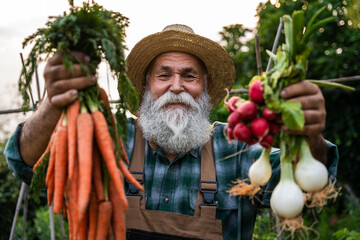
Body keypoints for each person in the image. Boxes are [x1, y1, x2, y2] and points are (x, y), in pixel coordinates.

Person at [4, 24, 338, 240]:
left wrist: (308, 134)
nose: (176, 87)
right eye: (163, 76)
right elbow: (24, 163)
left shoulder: (238, 147)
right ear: (145, 89)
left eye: (189, 76)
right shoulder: (113, 137)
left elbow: (309, 198)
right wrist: (52, 105)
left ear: (205, 89)